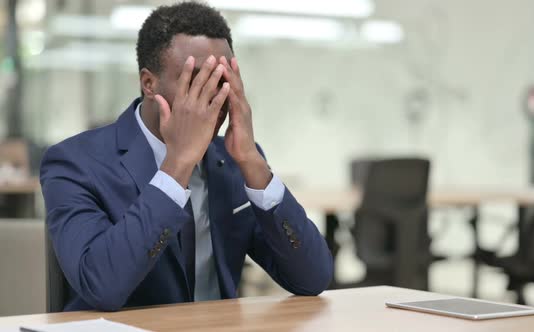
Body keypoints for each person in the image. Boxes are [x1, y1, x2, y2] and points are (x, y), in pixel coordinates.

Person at [40, 2, 333, 312]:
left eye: (221, 82)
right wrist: (177, 165)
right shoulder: (74, 163)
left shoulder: (236, 160)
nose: (213, 97)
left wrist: (251, 161)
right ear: (149, 83)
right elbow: (102, 287)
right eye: (195, 81)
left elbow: (312, 279)